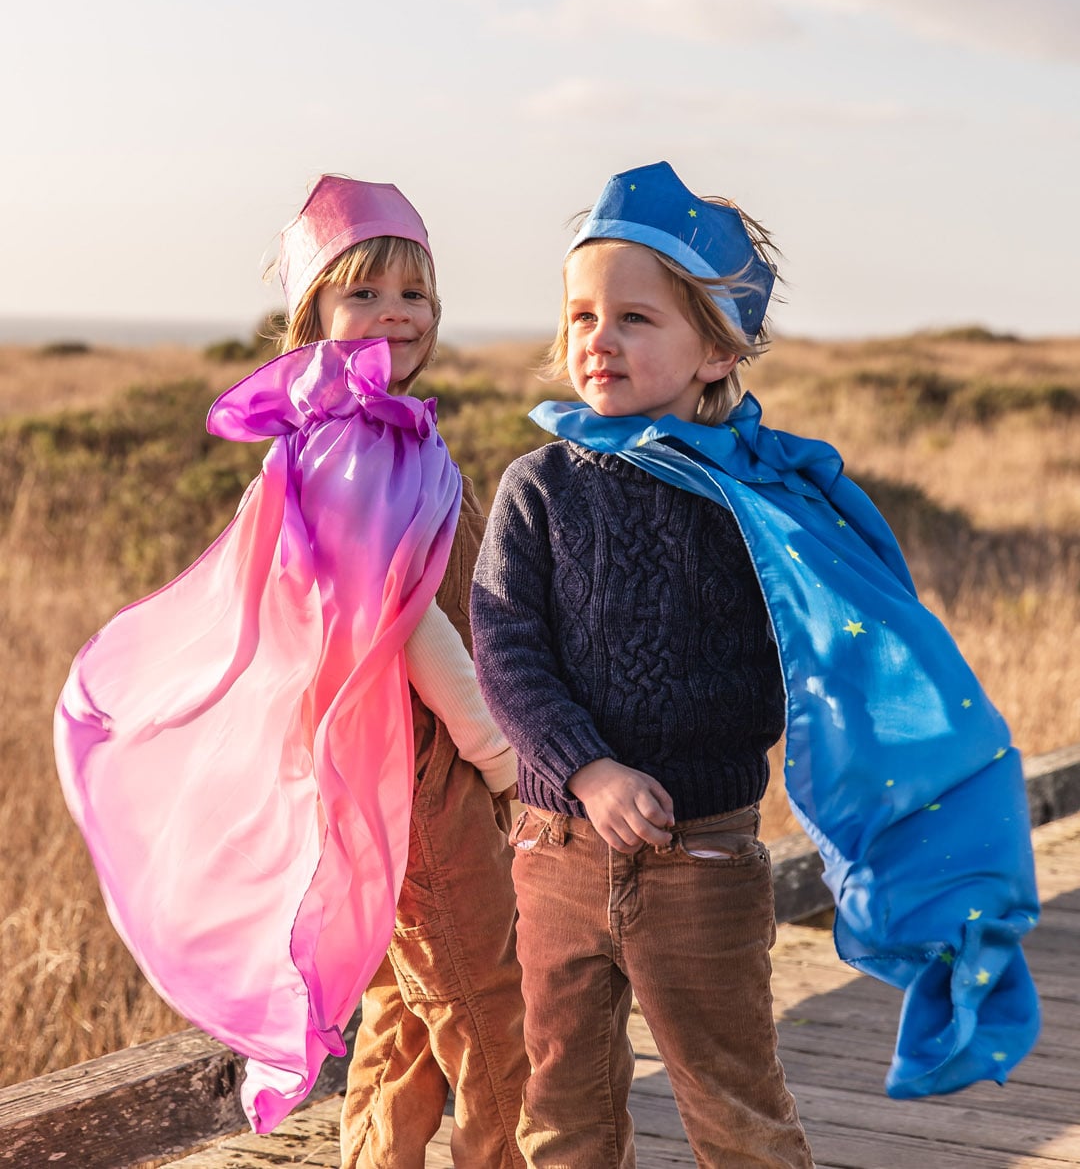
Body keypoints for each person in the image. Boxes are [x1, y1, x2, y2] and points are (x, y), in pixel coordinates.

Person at [469, 160, 1040, 1168]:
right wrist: (588, 770)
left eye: (635, 318)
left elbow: (813, 656)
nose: (597, 339)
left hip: (703, 859)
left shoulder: (757, 503)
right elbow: (505, 644)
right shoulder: (539, 485)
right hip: (555, 851)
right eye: (581, 316)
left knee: (734, 1101)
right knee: (560, 1103)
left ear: (716, 346)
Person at [55, 175, 528, 1167]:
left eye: (415, 293)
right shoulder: (354, 442)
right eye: (364, 293)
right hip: (425, 763)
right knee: (493, 1014)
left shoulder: (362, 428)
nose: (395, 312)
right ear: (312, 314)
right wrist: (497, 757)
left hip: (397, 766)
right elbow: (401, 628)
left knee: (407, 1009)